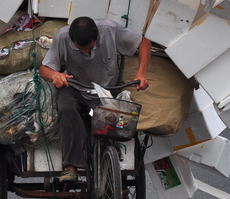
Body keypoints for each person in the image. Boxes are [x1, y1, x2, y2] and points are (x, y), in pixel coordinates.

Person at [39, 17, 151, 182]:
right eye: (81, 49)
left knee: (114, 118)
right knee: (67, 109)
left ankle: (110, 154)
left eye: (90, 48)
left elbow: (144, 43)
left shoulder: (109, 29)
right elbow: (44, 68)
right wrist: (55, 74)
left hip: (105, 90)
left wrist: (141, 73)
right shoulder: (63, 37)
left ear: (97, 36)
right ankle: (70, 167)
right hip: (74, 87)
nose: (86, 52)